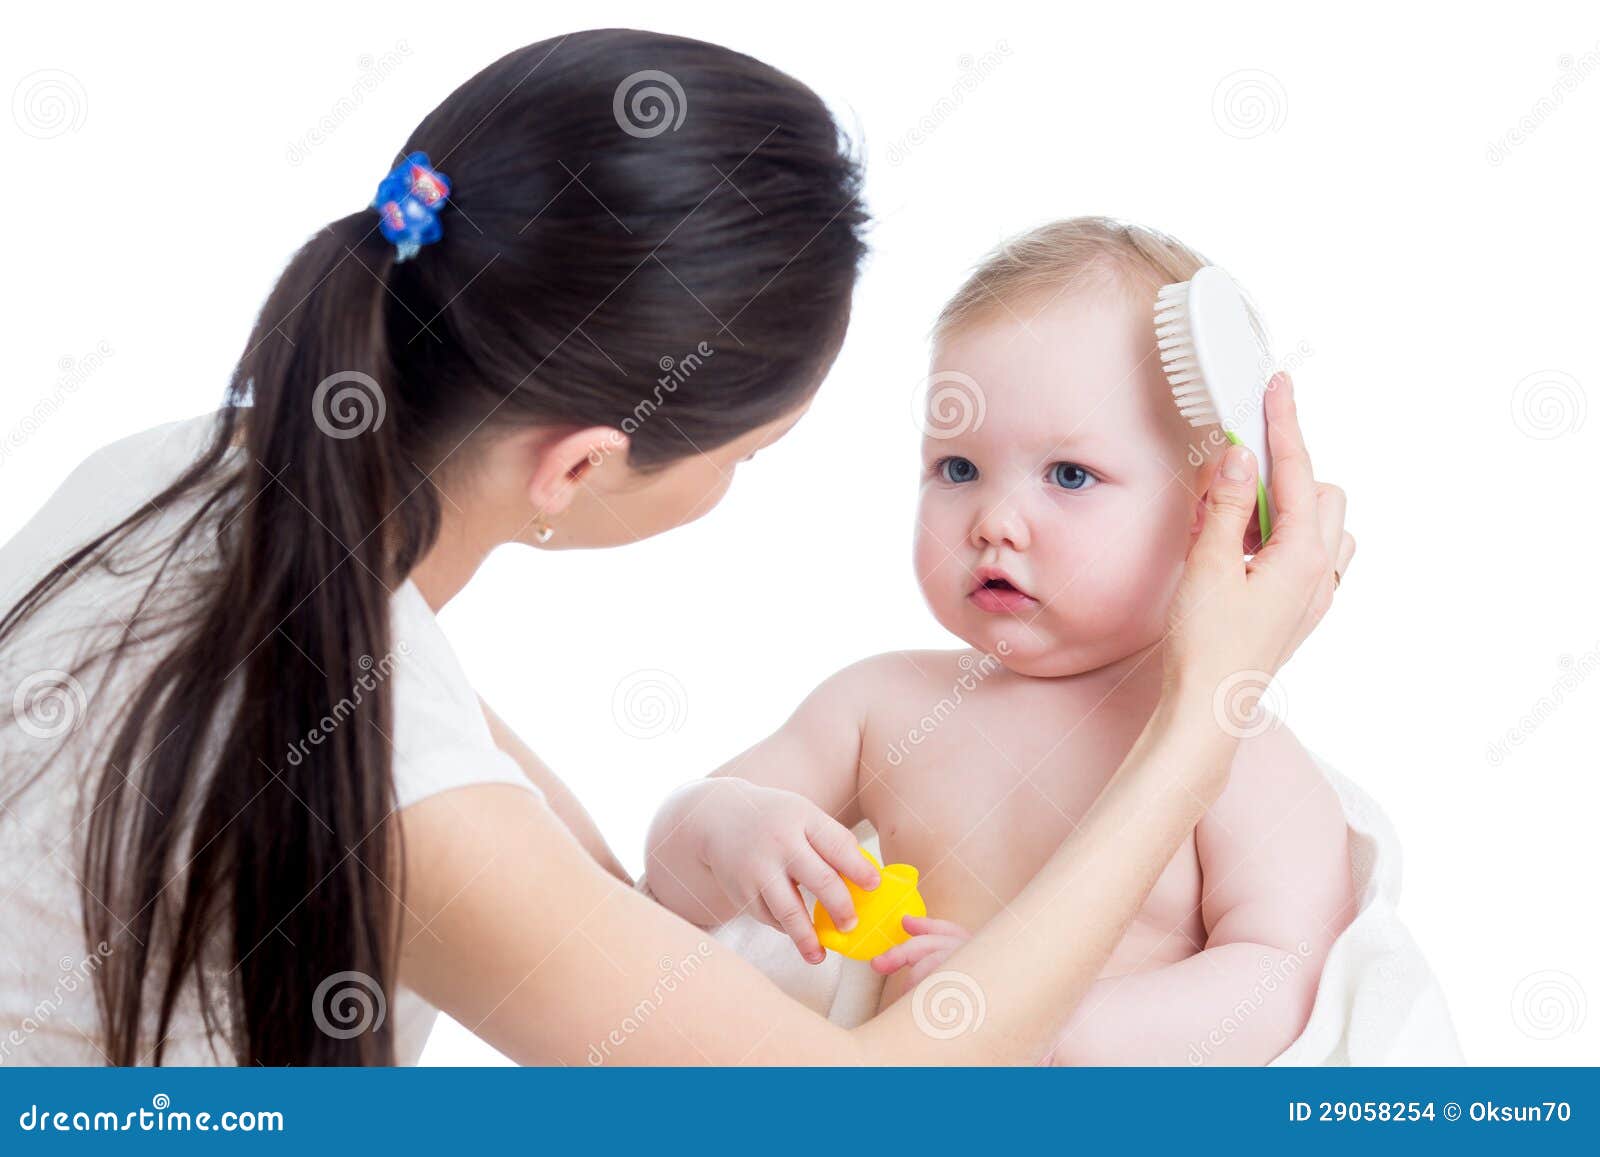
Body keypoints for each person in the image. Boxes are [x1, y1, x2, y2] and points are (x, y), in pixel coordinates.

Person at [0, 30, 1351, 1066]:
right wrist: (1196, 719)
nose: (998, 516)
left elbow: (601, 908)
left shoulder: (201, 476)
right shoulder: (394, 751)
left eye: (1072, 473)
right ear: (583, 463)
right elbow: (833, 1102)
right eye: (745, 458)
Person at [644, 217, 1358, 1065]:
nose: (994, 521)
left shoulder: (1233, 746)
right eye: (957, 468)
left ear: (1218, 509)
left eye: (1069, 476)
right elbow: (662, 889)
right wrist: (728, 825)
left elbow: (1290, 976)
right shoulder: (879, 703)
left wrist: (1061, 1023)